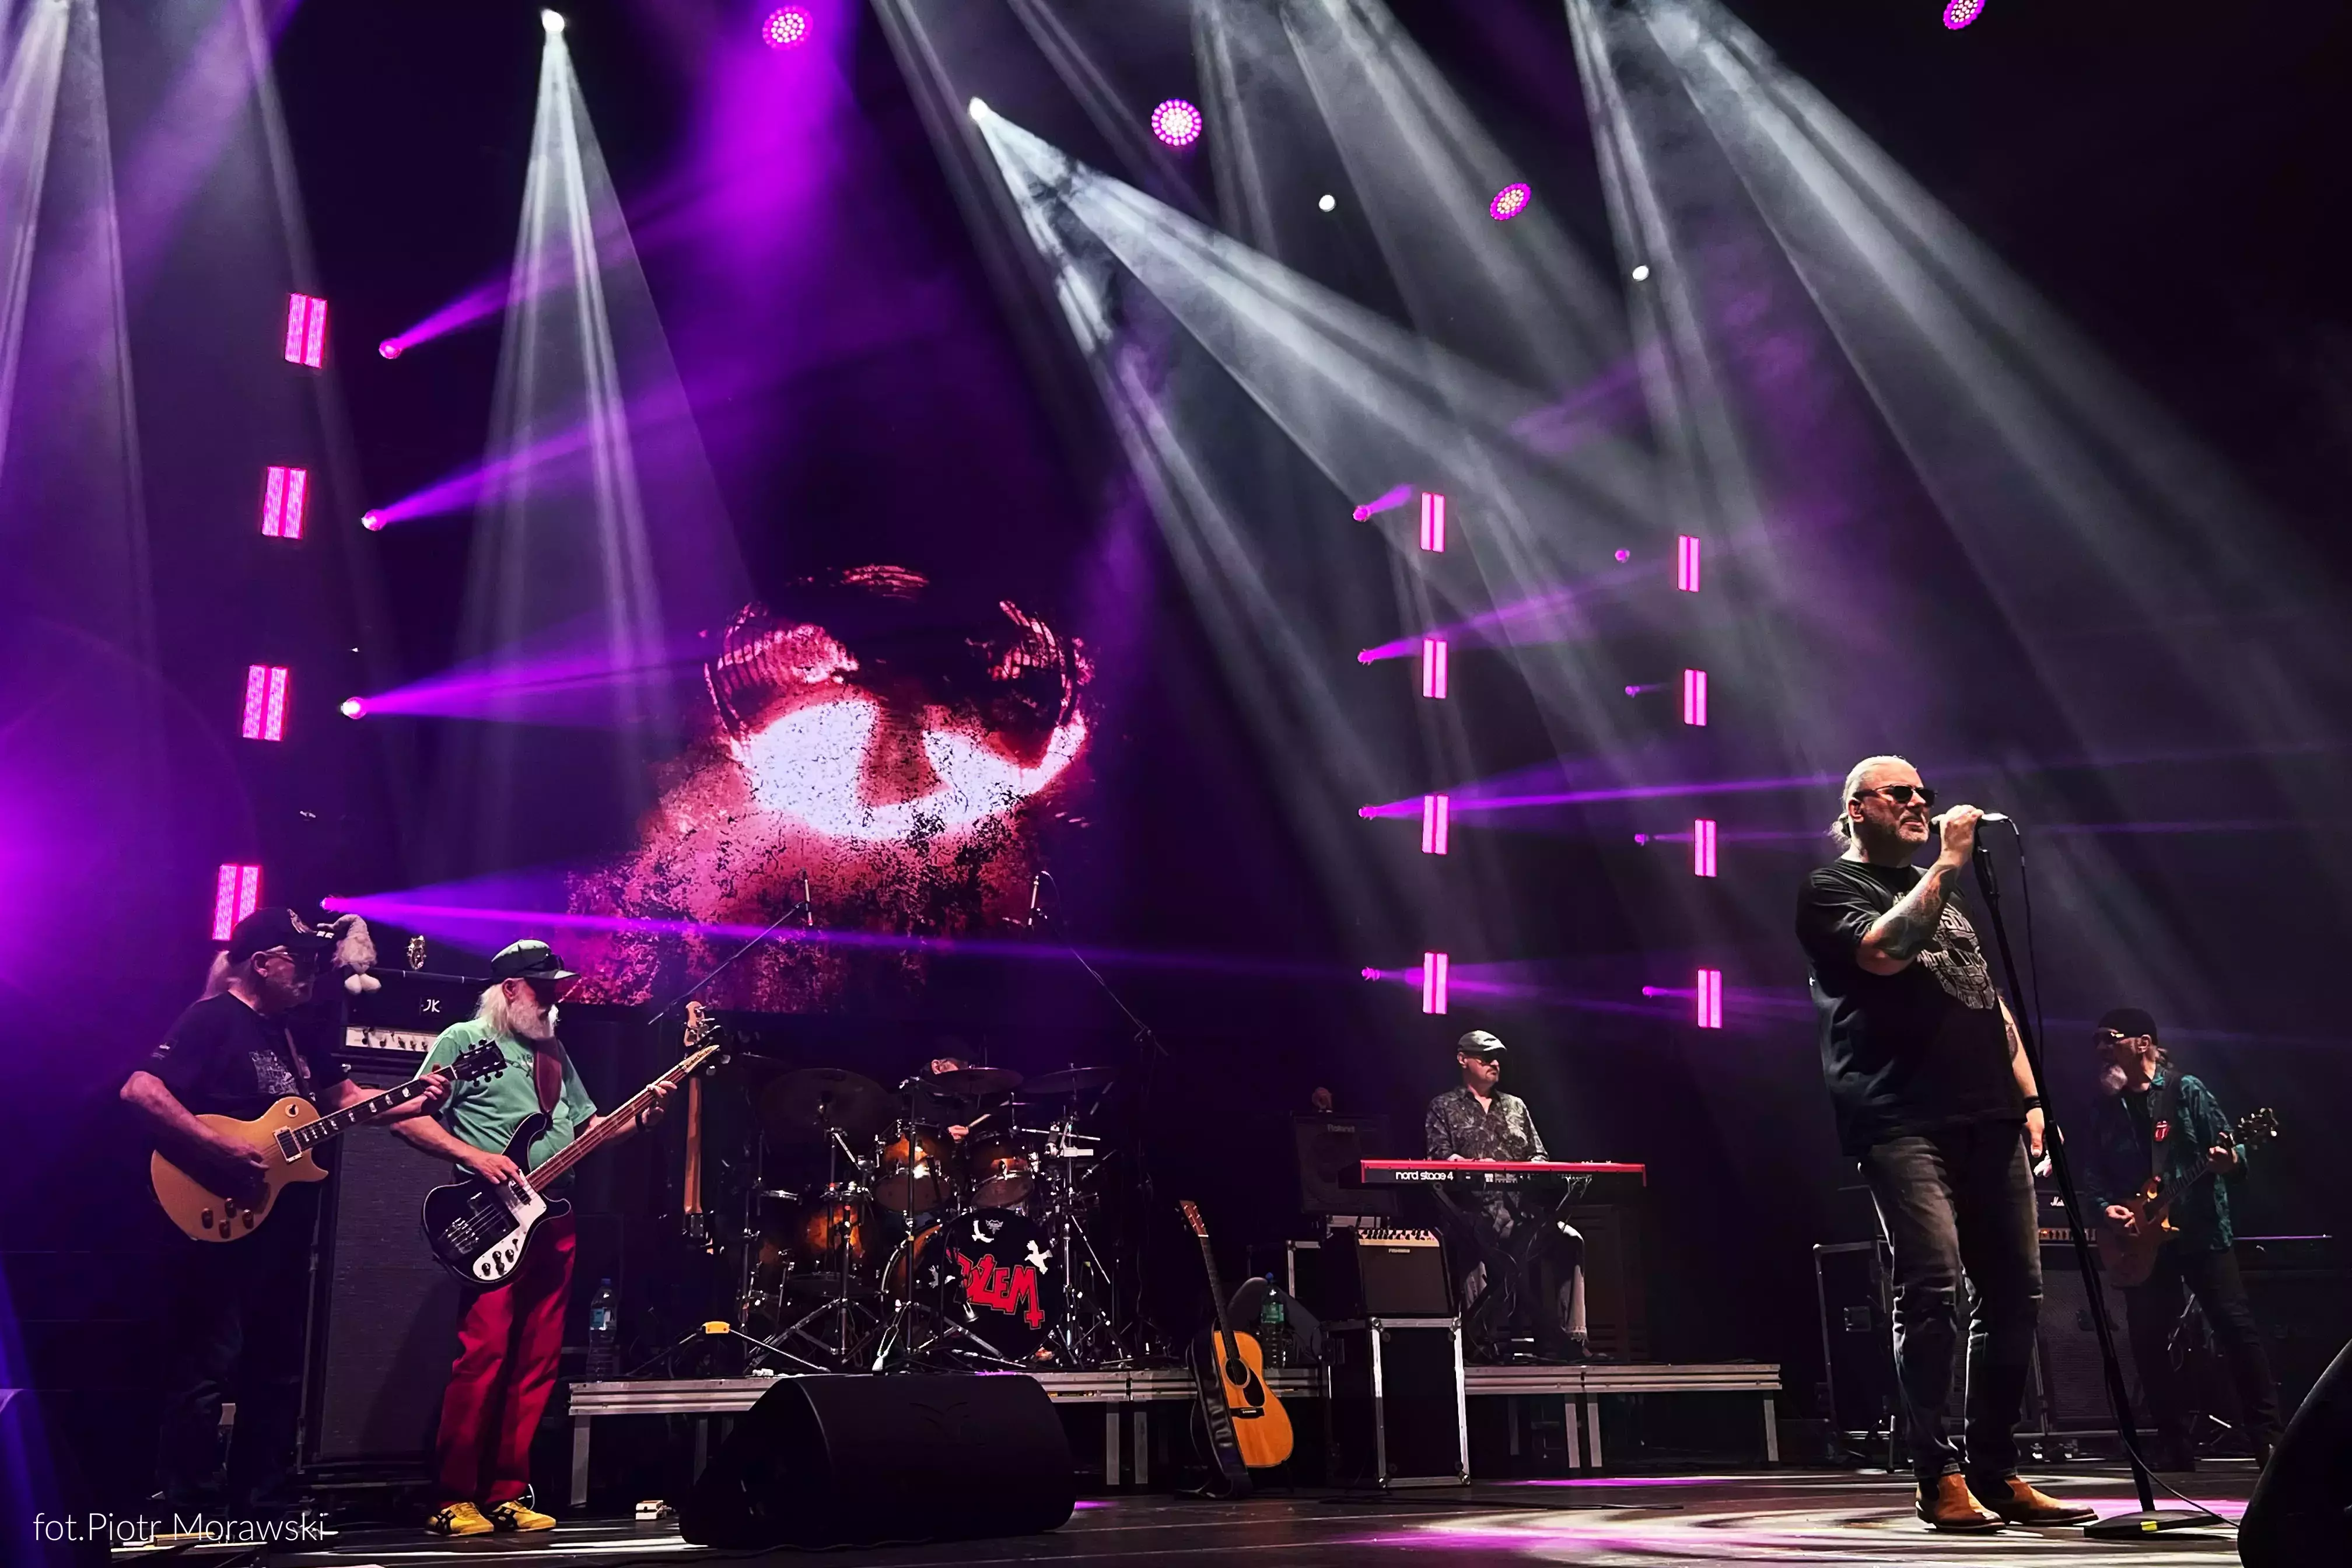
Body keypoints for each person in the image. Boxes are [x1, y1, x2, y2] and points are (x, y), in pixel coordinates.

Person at [1796, 756, 2091, 1532]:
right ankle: (1939, 1473)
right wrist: (1951, 861)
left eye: (1923, 793)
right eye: (1899, 793)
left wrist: (2032, 1097)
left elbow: (1987, 1000)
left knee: (2017, 1293)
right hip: (1900, 1118)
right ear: (1857, 808)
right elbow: (1884, 951)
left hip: (1990, 1115)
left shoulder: (1947, 898)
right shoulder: (1832, 888)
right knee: (1932, 1288)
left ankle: (1996, 1467)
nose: (1918, 802)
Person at [121, 908, 450, 1519]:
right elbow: (141, 1090)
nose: (310, 972)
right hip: (220, 1214)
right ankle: (189, 1504)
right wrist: (216, 1145)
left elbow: (347, 1101)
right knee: (208, 1363)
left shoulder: (297, 1032)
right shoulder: (213, 1019)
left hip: (282, 1223)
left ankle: (263, 1499)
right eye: (298, 961)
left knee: (277, 1365)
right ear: (262, 964)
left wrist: (417, 1097)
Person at [393, 940, 669, 1536]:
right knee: (484, 1354)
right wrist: (476, 1157)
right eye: (543, 989)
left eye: (556, 989)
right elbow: (408, 1116)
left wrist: (643, 1117)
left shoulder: (553, 1053)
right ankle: (453, 1496)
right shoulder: (463, 1040)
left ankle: (507, 1491)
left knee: (536, 1362)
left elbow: (590, 1129)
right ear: (510, 989)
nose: (553, 999)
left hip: (553, 1218)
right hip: (492, 1219)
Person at [2082, 1007, 2281, 1471]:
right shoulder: (2105, 1107)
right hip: (2142, 1240)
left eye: (2110, 1037)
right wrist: (2106, 1210)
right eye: (2097, 1040)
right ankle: (2173, 1445)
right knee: (2147, 1340)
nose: (2101, 1048)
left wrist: (2230, 1161)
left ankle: (2269, 1440)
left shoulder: (2184, 1090)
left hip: (2201, 1232)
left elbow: (2234, 1150)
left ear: (2144, 1043)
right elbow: (2093, 1175)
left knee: (2235, 1330)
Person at [1423, 1030, 1590, 1363]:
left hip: (1520, 1215)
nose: (1495, 1064)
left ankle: (1571, 1338)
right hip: (1472, 1211)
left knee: (1570, 1240)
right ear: (1463, 1060)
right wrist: (1470, 1165)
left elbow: (1539, 1154)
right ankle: (1479, 1341)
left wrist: (1534, 1167)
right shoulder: (1443, 1107)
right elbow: (1438, 1157)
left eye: (1497, 1058)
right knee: (1471, 1242)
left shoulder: (1516, 1106)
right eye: (1486, 1058)